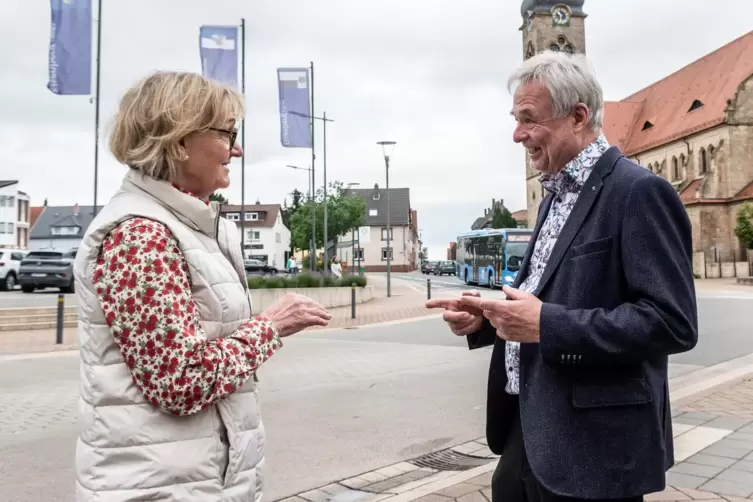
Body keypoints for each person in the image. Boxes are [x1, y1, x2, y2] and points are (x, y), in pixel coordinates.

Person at [427, 51, 698, 502]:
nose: (517, 135)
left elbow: (672, 322)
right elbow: (547, 298)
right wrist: (488, 318)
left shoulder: (638, 193)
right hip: (528, 431)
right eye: (515, 119)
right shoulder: (553, 195)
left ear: (577, 116)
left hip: (594, 449)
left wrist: (547, 324)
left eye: (529, 119)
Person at [72, 71, 331, 502]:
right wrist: (271, 327)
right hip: (160, 486)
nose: (238, 149)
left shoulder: (189, 226)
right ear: (179, 142)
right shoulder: (141, 236)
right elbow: (181, 380)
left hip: (193, 478)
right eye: (229, 133)